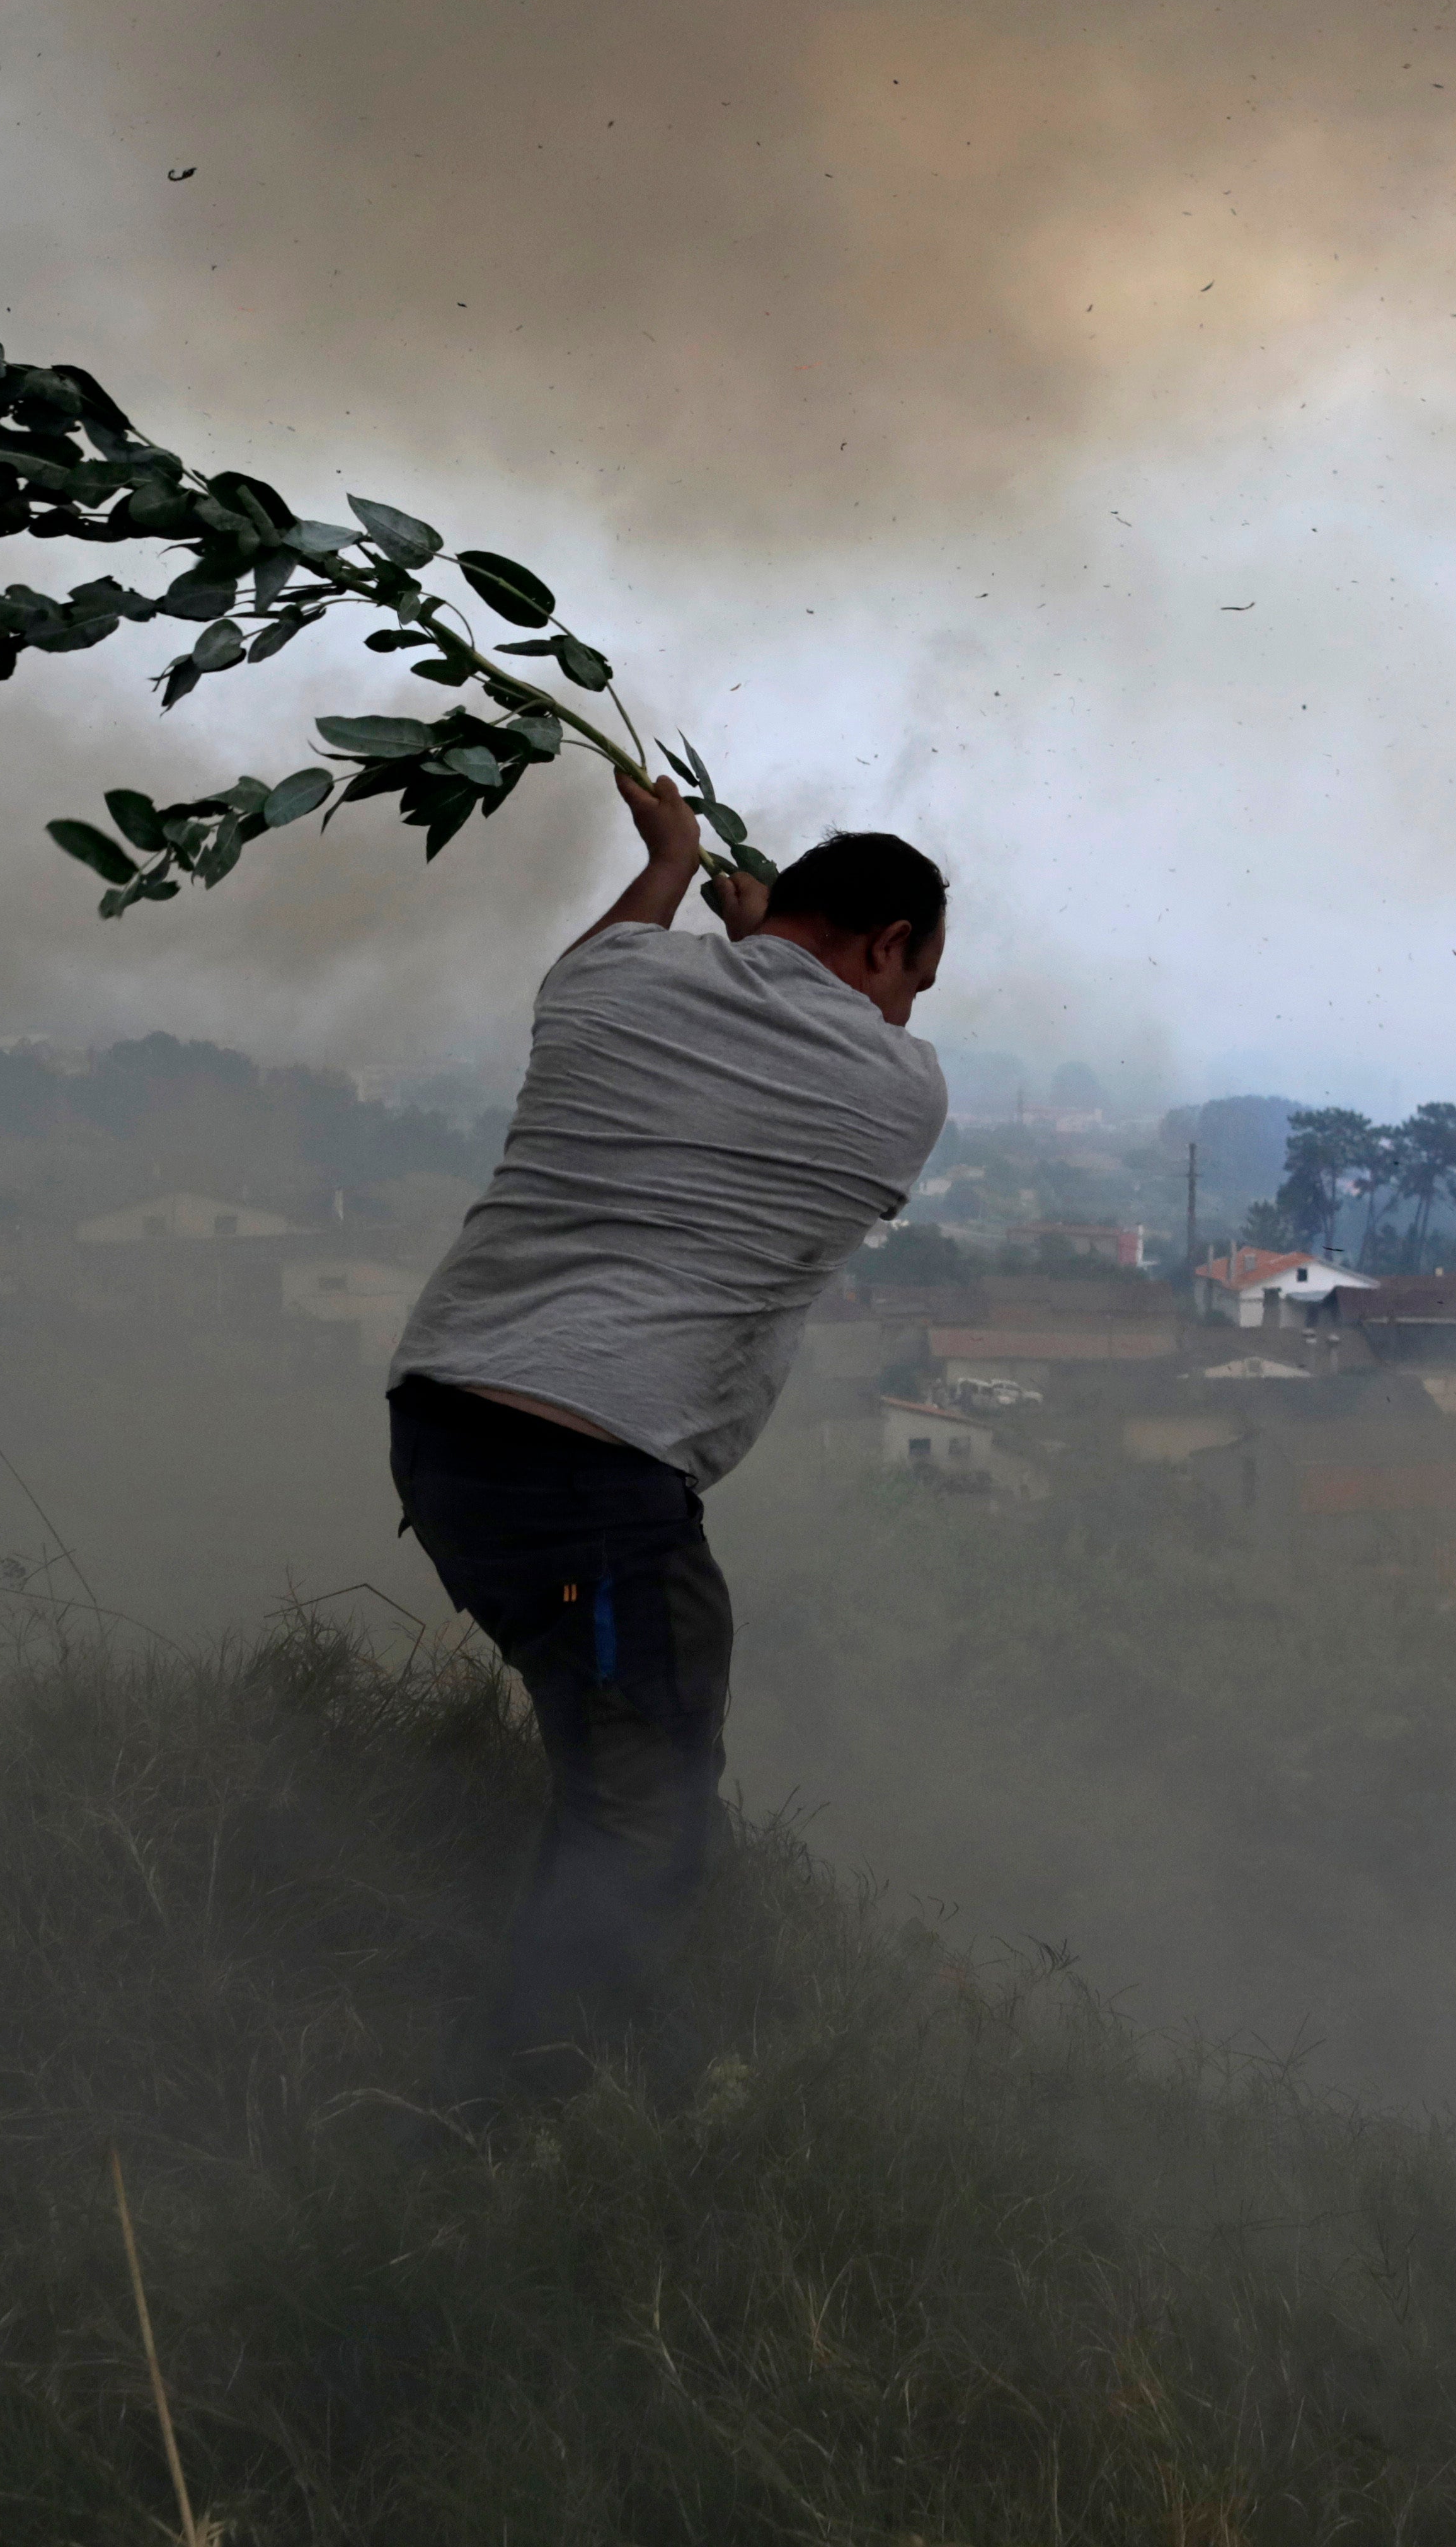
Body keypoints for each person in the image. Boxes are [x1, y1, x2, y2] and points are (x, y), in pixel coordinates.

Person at [387, 768, 951, 2098]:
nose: (912, 1004)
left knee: (611, 1768)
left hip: (443, 1427)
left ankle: (609, 2055)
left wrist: (668, 859)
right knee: (647, 1814)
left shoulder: (613, 986)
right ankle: (520, 2119)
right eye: (916, 973)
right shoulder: (901, 1090)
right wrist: (760, 940)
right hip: (589, 1478)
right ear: (887, 943)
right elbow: (789, 1048)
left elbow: (608, 965)